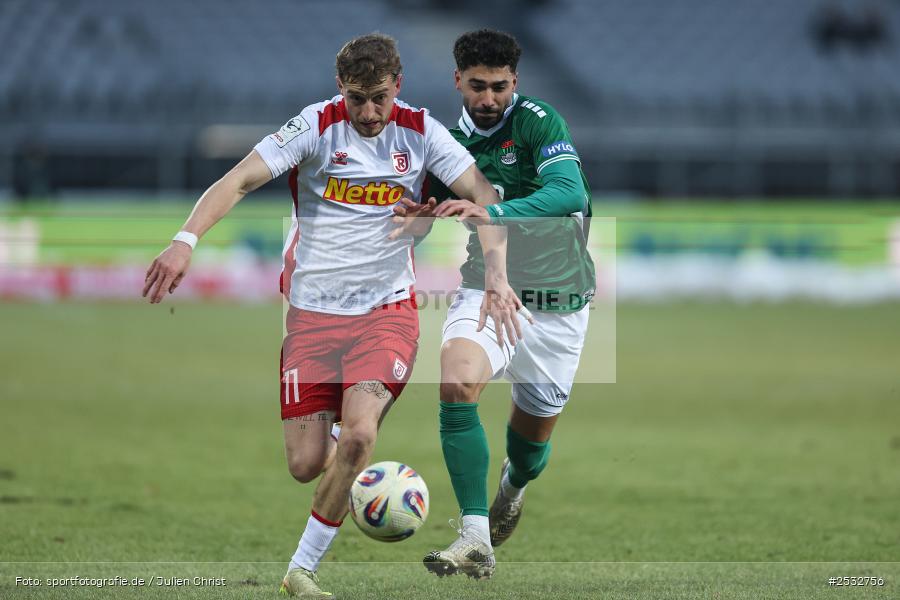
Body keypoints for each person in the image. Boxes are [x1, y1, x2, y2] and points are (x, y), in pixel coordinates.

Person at [142, 33, 520, 598]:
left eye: (380, 99)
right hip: (311, 320)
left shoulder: (420, 132)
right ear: (339, 89)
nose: (368, 113)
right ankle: (347, 456)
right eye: (357, 99)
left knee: (361, 436)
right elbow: (240, 179)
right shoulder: (316, 126)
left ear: (399, 88)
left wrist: (495, 274)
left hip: (385, 314)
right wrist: (184, 240)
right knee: (304, 464)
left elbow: (484, 194)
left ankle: (302, 570)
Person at [395, 29, 595, 580]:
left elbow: (569, 194)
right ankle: (474, 536)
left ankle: (514, 484)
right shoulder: (443, 143)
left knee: (529, 451)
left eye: (499, 87)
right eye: (477, 86)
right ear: (457, 79)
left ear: (516, 82)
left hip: (559, 302)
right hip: (486, 286)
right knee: (456, 384)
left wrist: (493, 211)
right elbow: (416, 221)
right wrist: (413, 218)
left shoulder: (538, 121)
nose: (488, 99)